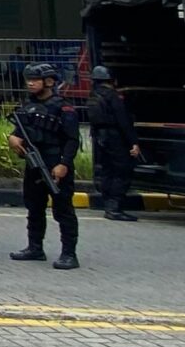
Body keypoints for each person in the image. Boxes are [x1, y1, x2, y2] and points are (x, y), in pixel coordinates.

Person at [7, 61, 81, 269]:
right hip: (33, 163)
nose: (30, 84)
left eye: (35, 80)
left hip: (55, 163)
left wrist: (63, 164)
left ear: (48, 82)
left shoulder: (63, 107)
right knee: (34, 207)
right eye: (28, 80)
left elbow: (72, 139)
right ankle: (35, 247)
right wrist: (13, 139)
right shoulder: (28, 106)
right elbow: (20, 132)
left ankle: (69, 253)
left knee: (63, 210)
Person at [81, 65, 141, 222]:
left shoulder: (94, 95)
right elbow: (123, 121)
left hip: (100, 138)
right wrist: (133, 142)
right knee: (122, 172)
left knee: (107, 171)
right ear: (112, 80)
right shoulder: (113, 96)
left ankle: (108, 204)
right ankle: (114, 208)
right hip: (116, 139)